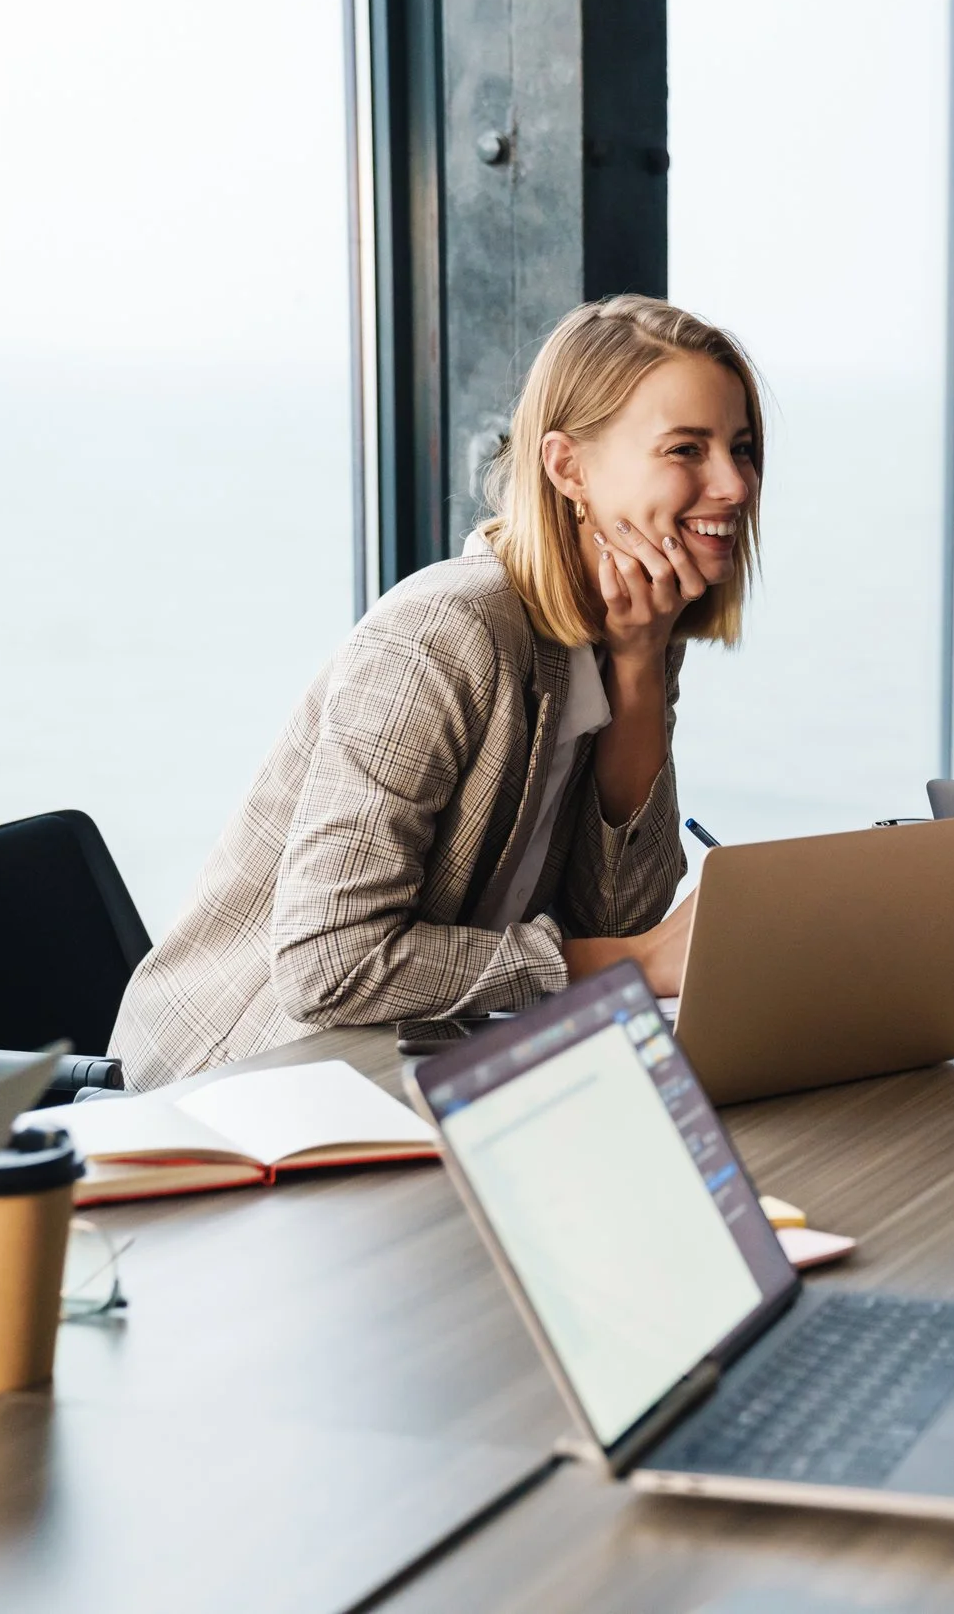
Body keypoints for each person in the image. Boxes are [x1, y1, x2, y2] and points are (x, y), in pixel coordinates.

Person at [110, 296, 762, 1088]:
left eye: (742, 447)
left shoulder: (635, 630)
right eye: (686, 449)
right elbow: (329, 968)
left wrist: (637, 666)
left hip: (409, 1073)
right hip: (243, 1086)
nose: (733, 483)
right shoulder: (443, 635)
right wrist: (624, 961)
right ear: (568, 468)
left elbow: (620, 918)